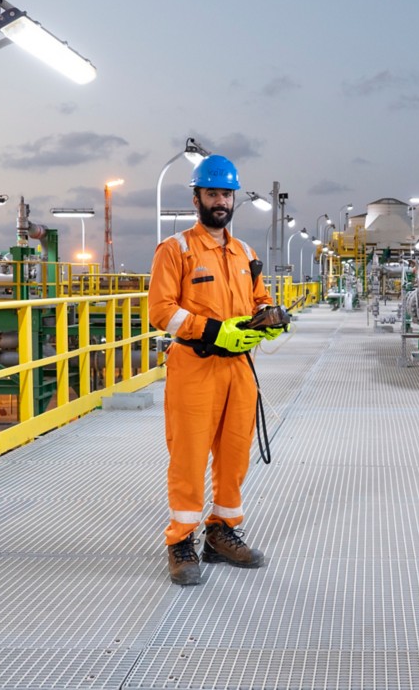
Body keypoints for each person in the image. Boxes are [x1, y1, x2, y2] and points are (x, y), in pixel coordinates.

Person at [148, 154, 285, 586]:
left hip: (239, 370)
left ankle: (221, 533)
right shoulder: (176, 250)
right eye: (212, 193)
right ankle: (180, 541)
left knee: (234, 454)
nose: (220, 201)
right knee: (189, 456)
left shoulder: (245, 253)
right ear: (197, 199)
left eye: (226, 194)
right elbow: (161, 311)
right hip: (195, 366)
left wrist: (270, 319)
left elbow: (259, 299)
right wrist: (213, 330)